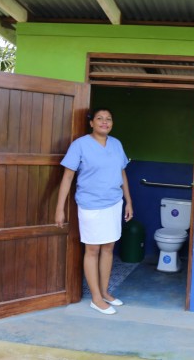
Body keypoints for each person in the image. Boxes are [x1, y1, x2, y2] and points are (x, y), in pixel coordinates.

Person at [55, 108, 133, 315]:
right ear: (91, 123)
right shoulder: (80, 145)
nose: (104, 122)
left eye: (108, 119)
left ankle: (105, 292)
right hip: (90, 205)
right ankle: (96, 298)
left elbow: (122, 174)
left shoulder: (116, 144)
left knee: (108, 247)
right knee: (93, 250)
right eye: (100, 118)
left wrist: (128, 202)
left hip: (114, 203)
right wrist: (59, 208)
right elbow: (68, 178)